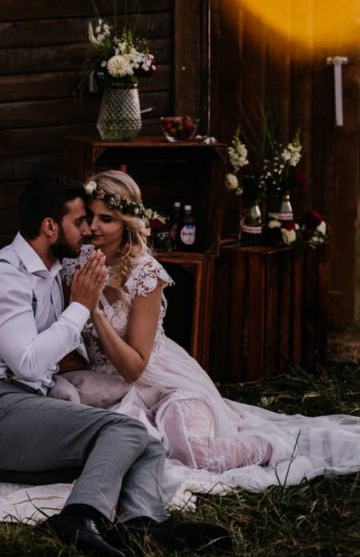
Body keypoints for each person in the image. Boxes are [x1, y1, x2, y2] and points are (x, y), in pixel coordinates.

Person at [0, 174, 229, 556]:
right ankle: (77, 518)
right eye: (79, 221)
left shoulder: (49, 272)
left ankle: (143, 526)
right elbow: (28, 364)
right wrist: (82, 305)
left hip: (23, 412)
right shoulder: (6, 277)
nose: (88, 230)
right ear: (49, 227)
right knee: (125, 431)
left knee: (145, 442)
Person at [60, 169, 360, 481]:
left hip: (163, 383)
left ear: (127, 224)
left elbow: (134, 368)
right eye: (89, 217)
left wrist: (92, 308)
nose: (93, 227)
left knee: (192, 454)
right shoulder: (72, 262)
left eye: (106, 219)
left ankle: (271, 446)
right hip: (107, 384)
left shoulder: (145, 273)